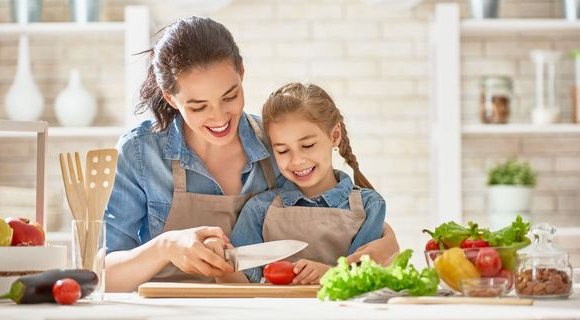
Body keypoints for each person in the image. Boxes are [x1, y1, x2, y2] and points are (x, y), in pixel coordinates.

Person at [104, 16, 398, 292]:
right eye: (198, 106)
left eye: (230, 96)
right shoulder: (140, 151)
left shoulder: (277, 144)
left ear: (242, 73)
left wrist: (386, 240)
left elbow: (326, 212)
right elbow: (103, 277)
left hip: (253, 307)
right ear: (171, 98)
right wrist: (165, 246)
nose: (219, 117)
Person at [220, 83, 396, 285]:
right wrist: (220, 266)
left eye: (307, 145)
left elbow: (365, 278)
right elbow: (240, 285)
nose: (296, 160)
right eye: (283, 151)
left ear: (334, 135)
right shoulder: (259, 209)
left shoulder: (369, 206)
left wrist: (331, 274)